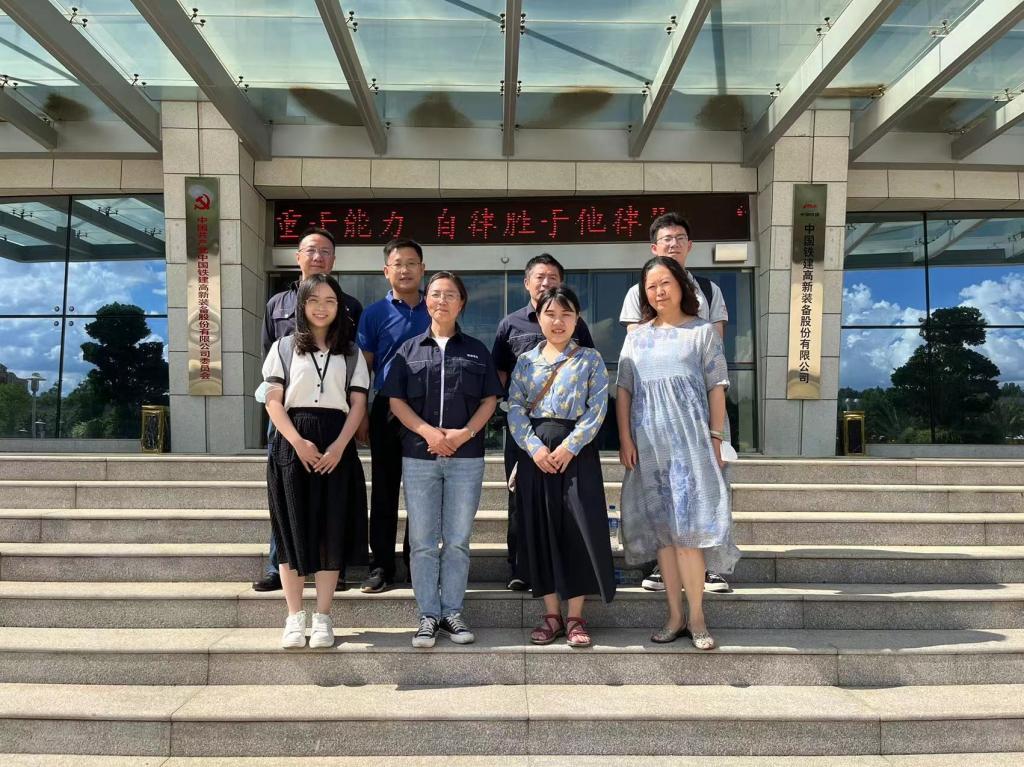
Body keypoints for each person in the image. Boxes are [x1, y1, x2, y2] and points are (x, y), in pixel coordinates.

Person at [616, 256, 740, 651]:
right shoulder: (636, 337)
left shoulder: (702, 332)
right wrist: (625, 439)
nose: (658, 291)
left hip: (692, 445)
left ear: (681, 286)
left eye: (665, 283)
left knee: (689, 536)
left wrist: (716, 437)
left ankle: (698, 617)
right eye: (651, 286)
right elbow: (624, 391)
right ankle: (674, 616)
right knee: (664, 539)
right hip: (650, 448)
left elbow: (717, 387)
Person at [381, 271, 502, 648]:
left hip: (466, 458)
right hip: (420, 457)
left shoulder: (476, 350)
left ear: (462, 303)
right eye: (435, 294)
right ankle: (428, 615)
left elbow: (489, 400)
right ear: (427, 301)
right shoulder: (408, 350)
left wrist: (463, 434)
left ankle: (452, 611)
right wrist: (429, 433)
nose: (442, 301)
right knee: (421, 541)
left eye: (450, 295)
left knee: (457, 540)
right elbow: (396, 401)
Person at [261, 274, 370, 648]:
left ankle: (323, 617)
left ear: (340, 307)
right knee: (290, 531)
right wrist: (297, 442)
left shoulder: (351, 352)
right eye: (314, 300)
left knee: (330, 531)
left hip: (336, 441)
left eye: (330, 301)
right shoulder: (283, 347)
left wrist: (340, 446)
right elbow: (273, 401)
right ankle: (294, 617)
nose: (322, 308)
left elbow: (358, 403)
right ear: (302, 305)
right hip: (293, 442)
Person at [253, 226, 363, 593]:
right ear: (297, 256)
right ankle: (280, 566)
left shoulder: (350, 310)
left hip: (333, 422)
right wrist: (290, 431)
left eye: (325, 251)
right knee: (288, 500)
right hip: (289, 416)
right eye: (311, 250)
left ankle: (332, 568)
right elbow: (271, 367)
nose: (317, 257)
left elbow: (354, 383)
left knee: (331, 505)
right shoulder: (277, 306)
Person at [507, 286, 615, 648]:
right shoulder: (526, 361)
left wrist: (570, 446)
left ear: (577, 319)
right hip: (535, 454)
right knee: (540, 528)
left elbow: (598, 408)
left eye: (566, 314)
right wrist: (534, 448)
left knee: (578, 529)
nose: (558, 322)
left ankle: (575, 616)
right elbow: (515, 408)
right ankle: (551, 614)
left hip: (577, 453)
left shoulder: (590, 359)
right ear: (538, 318)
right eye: (550, 314)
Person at [492, 254, 595, 592]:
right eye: (539, 276)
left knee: (568, 503)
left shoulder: (577, 325)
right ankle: (520, 566)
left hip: (569, 433)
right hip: (525, 431)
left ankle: (563, 568)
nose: (546, 282)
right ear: (527, 283)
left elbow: (588, 375)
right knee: (520, 497)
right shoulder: (509, 324)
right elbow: (501, 375)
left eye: (553, 276)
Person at [355, 238, 430, 593]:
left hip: (429, 411)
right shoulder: (374, 314)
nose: (405, 270)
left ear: (422, 269)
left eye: (412, 263)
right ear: (386, 271)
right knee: (384, 491)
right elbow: (363, 369)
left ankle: (417, 563)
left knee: (422, 491)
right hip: (386, 408)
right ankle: (382, 566)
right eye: (398, 264)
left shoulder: (436, 307)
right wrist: (362, 414)